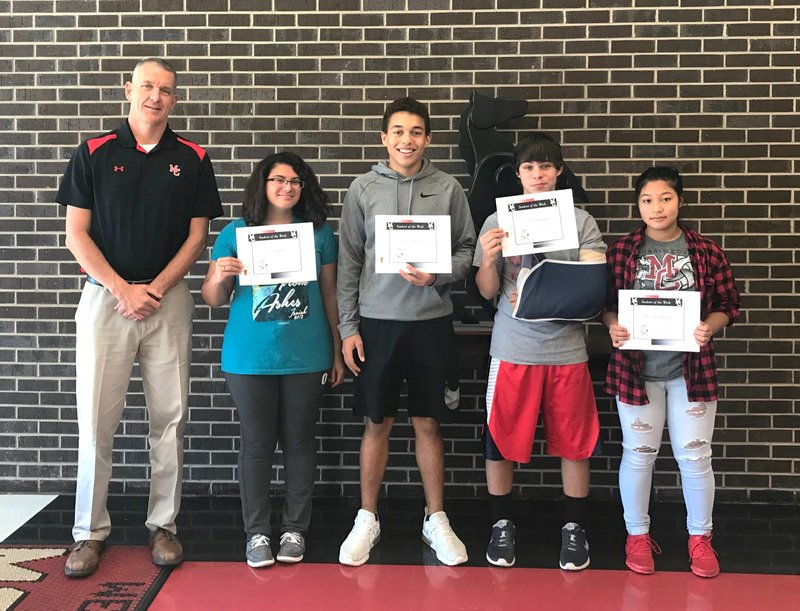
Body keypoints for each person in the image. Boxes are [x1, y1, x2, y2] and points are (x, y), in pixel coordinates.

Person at [56, 58, 223, 577]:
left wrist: (152, 289)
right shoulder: (93, 152)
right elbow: (76, 234)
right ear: (128, 89)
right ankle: (88, 532)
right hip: (105, 299)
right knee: (95, 424)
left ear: (175, 99)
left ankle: (163, 525)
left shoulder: (193, 158)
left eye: (166, 90)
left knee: (169, 420)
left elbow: (197, 238)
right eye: (147, 86)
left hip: (167, 301)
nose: (156, 96)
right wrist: (121, 289)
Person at [336, 97, 476, 567]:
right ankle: (366, 517)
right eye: (397, 131)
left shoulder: (449, 187)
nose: (406, 140)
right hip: (376, 325)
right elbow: (350, 262)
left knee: (428, 423)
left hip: (431, 323)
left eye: (416, 132)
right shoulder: (362, 189)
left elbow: (467, 251)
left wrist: (436, 275)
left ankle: (436, 517)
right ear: (383, 137)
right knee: (377, 422)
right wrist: (349, 328)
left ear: (428, 139)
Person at [201, 152, 344, 568]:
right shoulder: (236, 232)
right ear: (262, 184)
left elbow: (330, 295)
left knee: (300, 444)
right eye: (278, 179)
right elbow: (212, 299)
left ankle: (295, 529)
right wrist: (219, 274)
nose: (287, 187)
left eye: (296, 181)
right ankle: (258, 532)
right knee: (257, 444)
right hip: (249, 356)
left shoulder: (319, 233)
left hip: (307, 353)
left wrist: (336, 350)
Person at [473, 132, 606, 571]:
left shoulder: (581, 221)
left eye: (546, 166)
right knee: (500, 440)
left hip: (567, 350)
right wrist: (491, 259)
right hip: (513, 347)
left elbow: (591, 291)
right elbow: (488, 292)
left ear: (559, 171)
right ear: (518, 173)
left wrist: (544, 287)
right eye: (529, 167)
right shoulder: (497, 219)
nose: (538, 174)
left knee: (575, 444)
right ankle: (501, 524)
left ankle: (574, 529)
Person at [602, 166, 740, 578]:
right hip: (636, 371)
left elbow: (728, 303)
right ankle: (637, 535)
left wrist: (708, 327)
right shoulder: (622, 251)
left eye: (665, 198)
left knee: (695, 457)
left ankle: (700, 538)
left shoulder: (705, 251)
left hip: (691, 372)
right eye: (647, 200)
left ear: (679, 200)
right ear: (638, 205)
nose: (656, 207)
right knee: (639, 455)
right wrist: (612, 324)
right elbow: (604, 303)